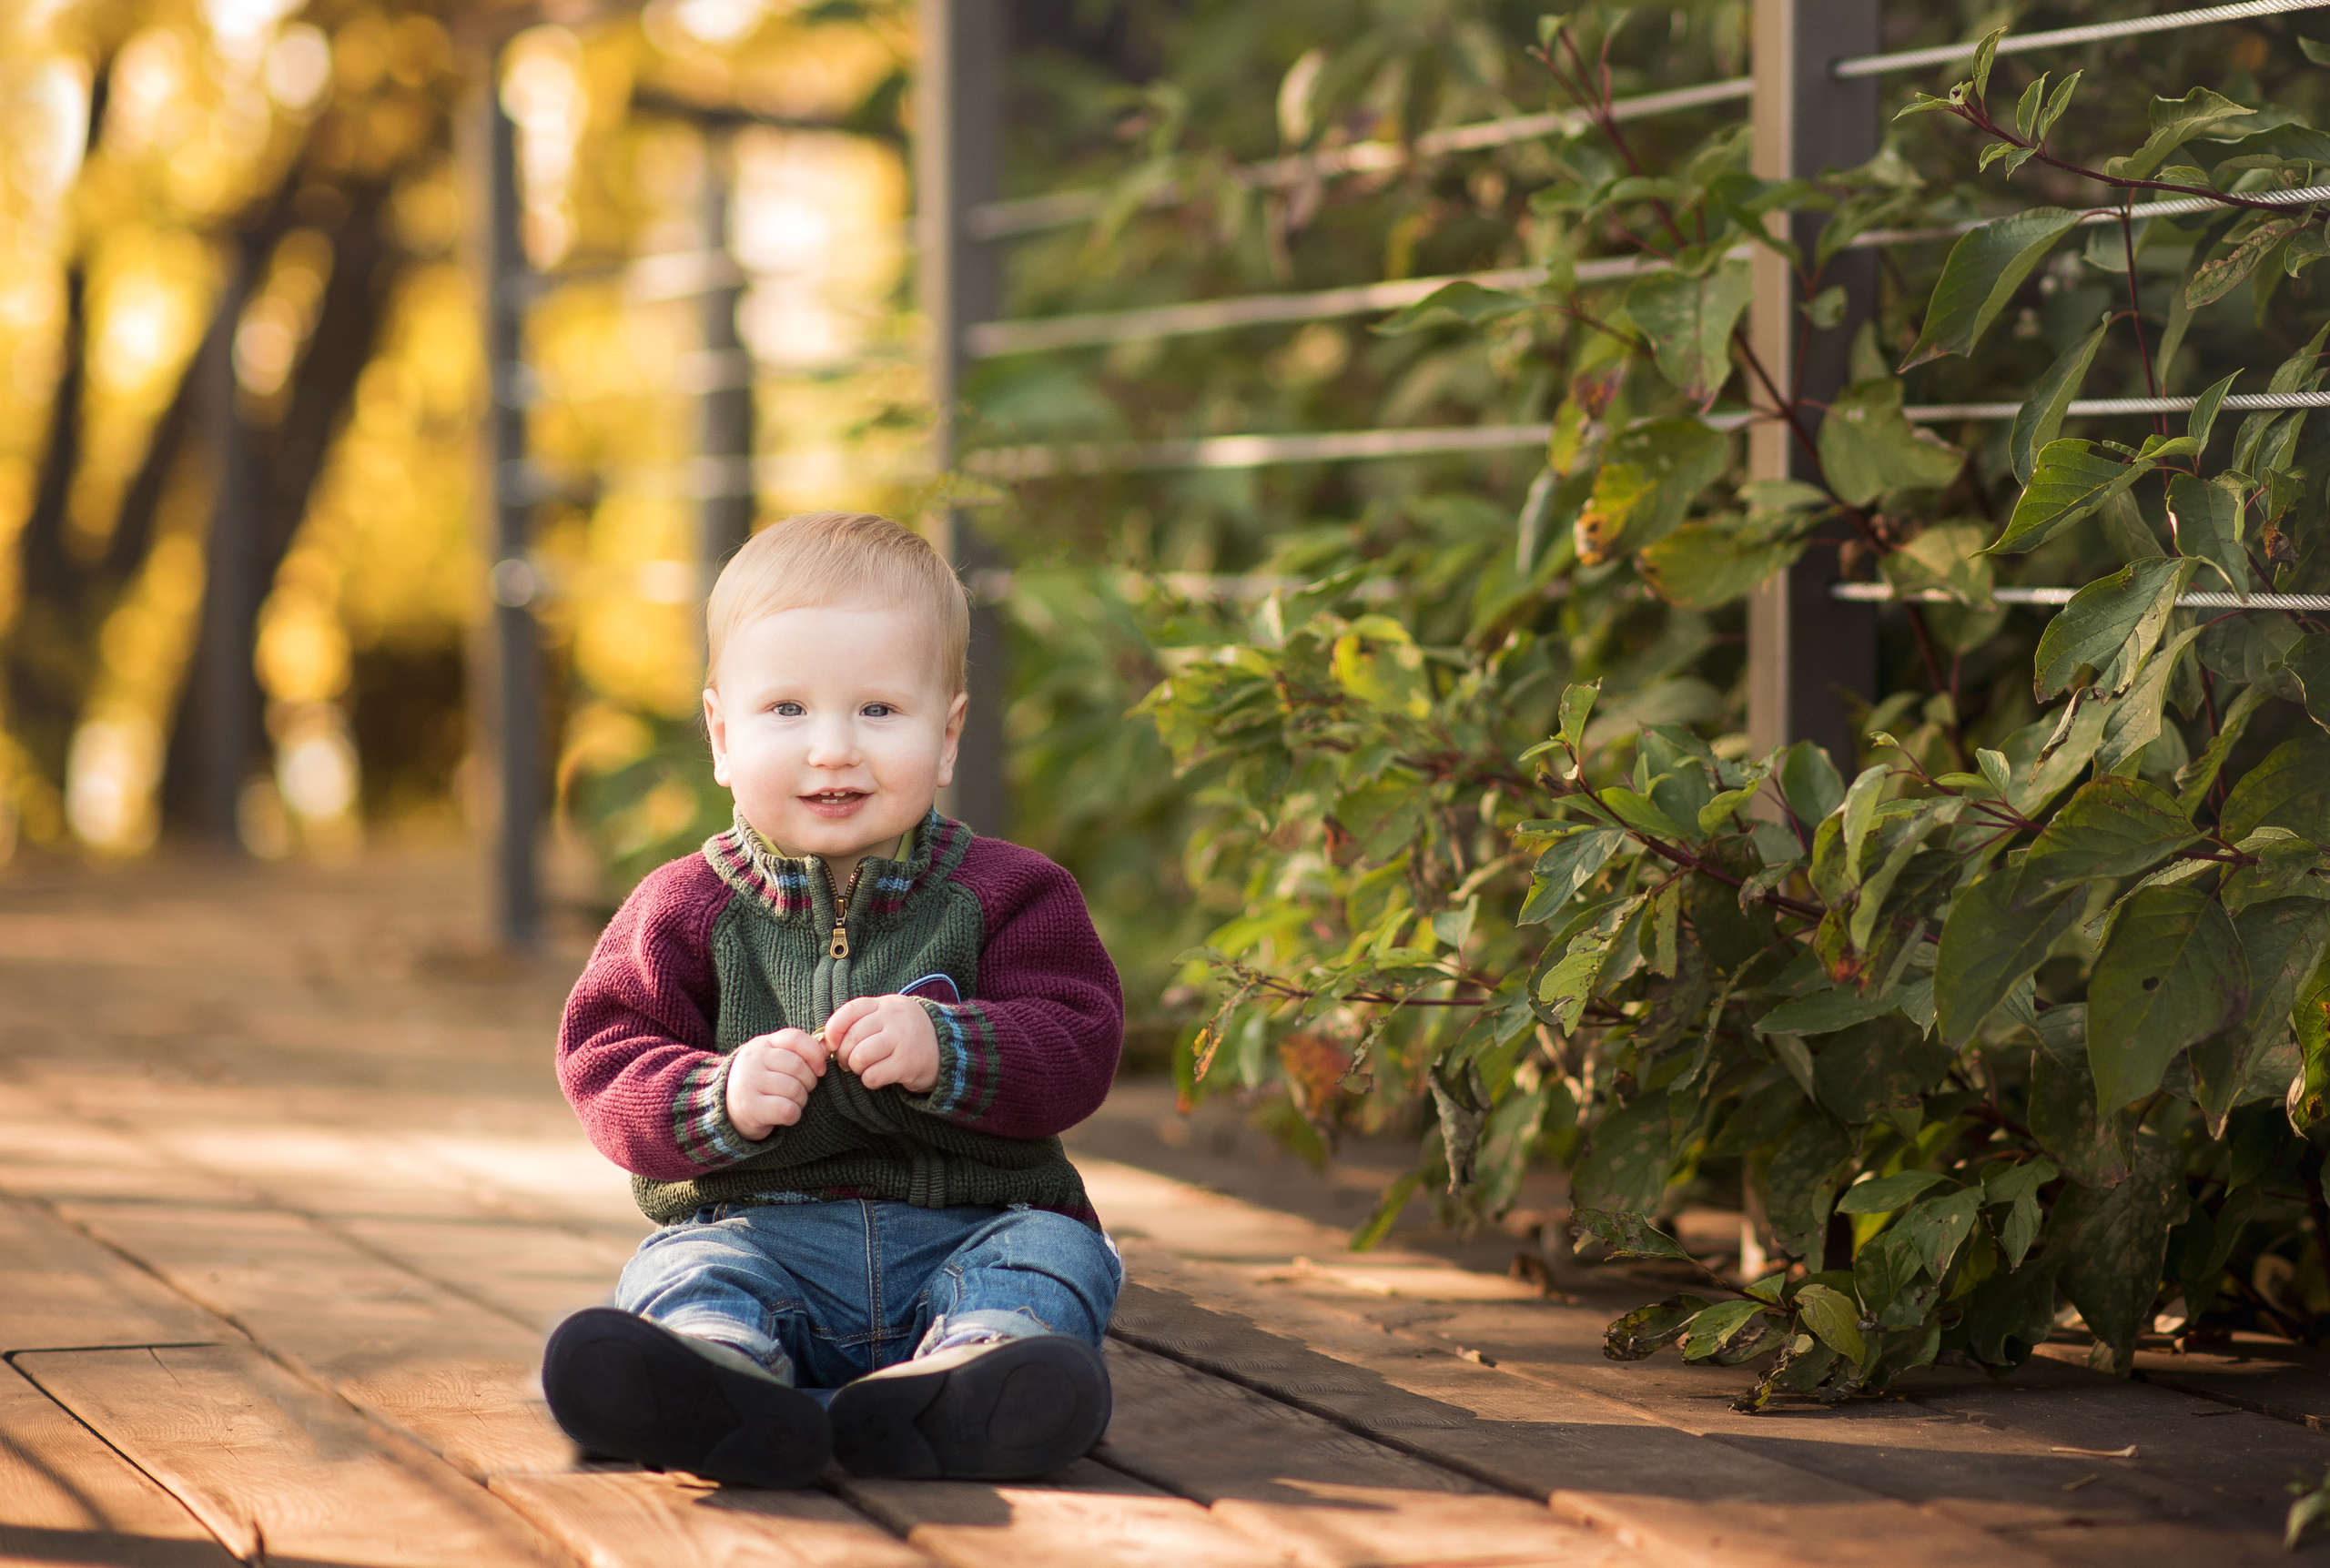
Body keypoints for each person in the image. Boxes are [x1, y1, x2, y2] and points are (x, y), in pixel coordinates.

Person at [542, 511, 1124, 1488]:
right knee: (684, 1270)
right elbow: (606, 1058)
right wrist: (716, 1096)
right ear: (722, 736)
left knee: (1057, 1252)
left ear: (946, 737)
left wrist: (954, 1046)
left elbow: (1080, 1039)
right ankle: (717, 1370)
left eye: (879, 712)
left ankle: (978, 1368)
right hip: (761, 1232)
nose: (832, 750)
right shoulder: (683, 909)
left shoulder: (1011, 893)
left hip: (972, 1225)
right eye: (787, 711)